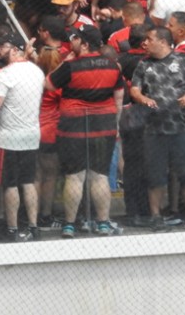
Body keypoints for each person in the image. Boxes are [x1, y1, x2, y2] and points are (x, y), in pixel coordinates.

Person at [47, 25, 124, 237]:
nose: (73, 42)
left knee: (75, 177)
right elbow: (118, 99)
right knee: (99, 176)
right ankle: (103, 223)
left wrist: (65, 60)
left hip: (73, 128)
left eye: (77, 39)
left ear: (85, 43)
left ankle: (70, 225)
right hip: (104, 127)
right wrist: (114, 125)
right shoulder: (113, 66)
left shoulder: (71, 65)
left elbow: (50, 84)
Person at [130, 27, 185, 230]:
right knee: (155, 176)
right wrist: (143, 98)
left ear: (163, 42)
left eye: (149, 39)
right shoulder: (143, 64)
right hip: (154, 130)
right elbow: (134, 88)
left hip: (182, 127)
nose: (144, 43)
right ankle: (156, 217)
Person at [0, 31, 44, 241]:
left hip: (8, 138)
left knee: (9, 184)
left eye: (3, 46)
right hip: (31, 135)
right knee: (28, 182)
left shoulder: (5, 74)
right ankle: (34, 228)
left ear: (16, 49)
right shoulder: (37, 71)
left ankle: (12, 229)